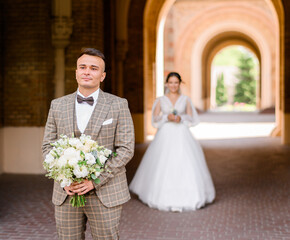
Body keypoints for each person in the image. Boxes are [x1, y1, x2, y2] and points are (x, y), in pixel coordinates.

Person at [42, 48, 135, 240]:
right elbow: (48, 146)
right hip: (66, 192)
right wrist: (63, 179)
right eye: (82, 67)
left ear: (102, 76)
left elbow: (126, 149)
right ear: (76, 72)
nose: (87, 72)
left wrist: (94, 181)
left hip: (105, 193)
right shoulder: (57, 105)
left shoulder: (118, 104)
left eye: (93, 68)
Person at [129, 72, 215, 212]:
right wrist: (166, 118)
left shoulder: (185, 99)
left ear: (180, 83)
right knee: (163, 161)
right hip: (165, 134)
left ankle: (190, 196)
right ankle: (159, 195)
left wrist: (181, 118)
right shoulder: (160, 100)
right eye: (171, 82)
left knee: (185, 161)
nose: (173, 85)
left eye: (176, 82)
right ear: (166, 84)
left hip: (182, 133)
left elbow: (192, 118)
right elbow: (155, 118)